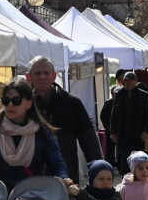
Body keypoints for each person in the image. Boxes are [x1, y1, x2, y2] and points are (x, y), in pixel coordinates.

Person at [0, 76, 69, 188]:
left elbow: (57, 165)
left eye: (16, 101)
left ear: (29, 104)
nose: (10, 105)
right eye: (6, 101)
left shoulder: (42, 132)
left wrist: (63, 179)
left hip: (34, 197)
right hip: (2, 199)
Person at [26, 56, 103, 185]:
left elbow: (89, 143)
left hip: (66, 176)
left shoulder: (71, 103)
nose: (42, 77)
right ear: (29, 77)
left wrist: (99, 172)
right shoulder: (24, 105)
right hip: (32, 176)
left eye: (46, 73)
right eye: (37, 73)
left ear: (54, 75)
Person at [109, 71, 148, 175]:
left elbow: (147, 115)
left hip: (138, 133)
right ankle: (127, 180)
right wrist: (113, 132)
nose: (128, 82)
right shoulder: (119, 94)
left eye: (130, 80)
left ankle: (139, 179)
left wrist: (146, 131)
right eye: (126, 80)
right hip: (123, 133)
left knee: (138, 157)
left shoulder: (143, 95)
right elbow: (114, 114)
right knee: (125, 157)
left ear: (135, 81)